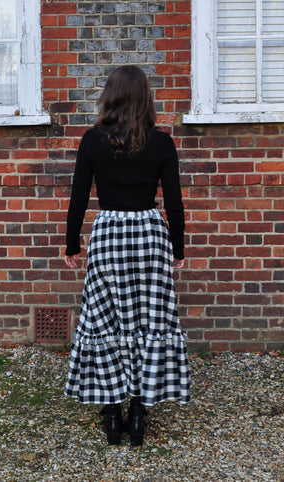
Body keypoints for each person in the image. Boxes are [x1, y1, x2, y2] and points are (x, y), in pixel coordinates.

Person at [64, 65, 190, 447]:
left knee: (105, 320)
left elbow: (79, 198)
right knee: (147, 320)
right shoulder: (162, 142)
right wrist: (178, 248)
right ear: (145, 98)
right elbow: (174, 203)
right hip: (150, 234)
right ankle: (138, 410)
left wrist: (72, 243)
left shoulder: (91, 140)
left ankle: (112, 412)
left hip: (108, 235)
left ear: (111, 96)